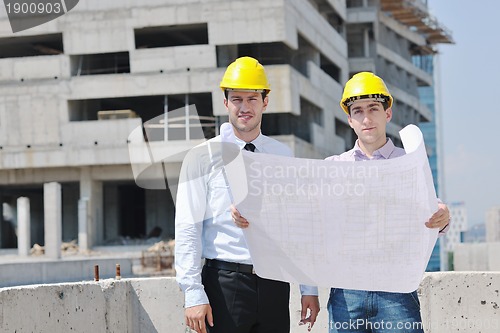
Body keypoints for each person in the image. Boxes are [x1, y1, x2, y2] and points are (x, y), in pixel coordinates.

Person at [175, 56, 320, 333]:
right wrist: (193, 293)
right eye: (237, 99)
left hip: (275, 283)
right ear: (225, 102)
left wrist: (308, 287)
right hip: (224, 284)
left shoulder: (281, 154)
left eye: (252, 98)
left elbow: (296, 225)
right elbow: (187, 228)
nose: (244, 107)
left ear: (265, 101)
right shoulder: (202, 157)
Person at [324, 72, 450, 333]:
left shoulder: (410, 162)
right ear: (349, 119)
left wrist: (443, 213)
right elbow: (307, 214)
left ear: (388, 113)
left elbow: (432, 208)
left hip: (396, 291)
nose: (367, 118)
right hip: (347, 293)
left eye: (373, 108)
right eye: (358, 111)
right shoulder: (333, 168)